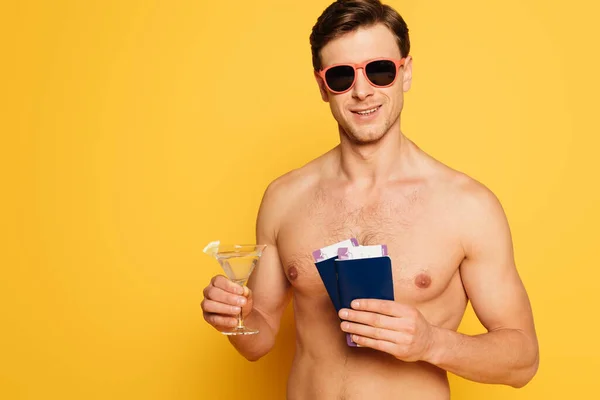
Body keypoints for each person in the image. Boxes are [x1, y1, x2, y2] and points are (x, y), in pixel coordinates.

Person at [201, 0, 539, 398]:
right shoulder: (284, 197)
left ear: (405, 73)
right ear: (322, 85)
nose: (362, 91)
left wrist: (431, 342)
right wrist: (235, 318)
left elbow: (523, 360)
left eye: (379, 71)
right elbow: (258, 340)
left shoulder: (467, 206)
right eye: (342, 76)